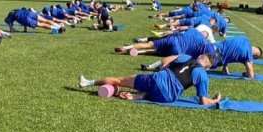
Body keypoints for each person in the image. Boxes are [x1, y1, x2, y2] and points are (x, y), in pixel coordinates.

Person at [78, 53, 222, 105]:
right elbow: (203, 101)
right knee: (152, 91)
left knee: (120, 81)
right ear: (208, 67)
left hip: (156, 80)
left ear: (201, 55)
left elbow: (165, 60)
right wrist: (215, 100)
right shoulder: (203, 75)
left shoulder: (186, 57)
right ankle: (139, 96)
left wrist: (164, 68)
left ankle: (88, 83)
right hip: (167, 97)